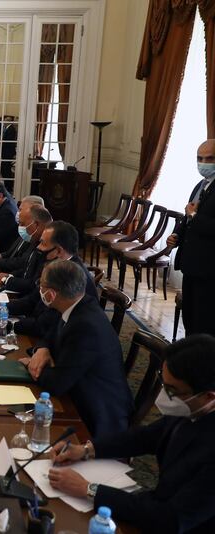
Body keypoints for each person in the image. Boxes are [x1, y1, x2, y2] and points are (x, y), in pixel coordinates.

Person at [48, 334, 215, 533]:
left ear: (208, 396)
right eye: (163, 383)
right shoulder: (191, 407)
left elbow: (170, 518)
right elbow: (145, 437)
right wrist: (86, 450)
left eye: (171, 390)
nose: (163, 397)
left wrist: (89, 489)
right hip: (157, 503)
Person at [18, 260, 132, 438]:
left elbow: (57, 383)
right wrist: (42, 349)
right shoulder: (76, 304)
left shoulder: (85, 326)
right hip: (75, 391)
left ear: (52, 294)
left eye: (41, 285)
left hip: (95, 417)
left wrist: (28, 365)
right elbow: (50, 335)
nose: (39, 289)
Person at [2, 220, 98, 336]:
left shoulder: (69, 276)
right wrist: (2, 309)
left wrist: (5, 324)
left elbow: (45, 325)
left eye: (43, 243)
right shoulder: (55, 266)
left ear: (58, 250)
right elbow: (32, 300)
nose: (38, 247)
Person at [166, 139, 215, 336]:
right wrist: (177, 235)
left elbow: (195, 216)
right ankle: (188, 357)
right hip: (191, 264)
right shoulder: (200, 184)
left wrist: (194, 216)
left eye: (209, 158)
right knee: (190, 318)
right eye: (199, 158)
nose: (203, 163)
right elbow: (187, 215)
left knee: (204, 322)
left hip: (209, 270)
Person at [0, 201, 50, 278]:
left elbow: (23, 263)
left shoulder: (38, 238)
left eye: (20, 209)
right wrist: (0, 255)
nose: (18, 212)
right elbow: (15, 256)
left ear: (36, 224)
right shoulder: (30, 233)